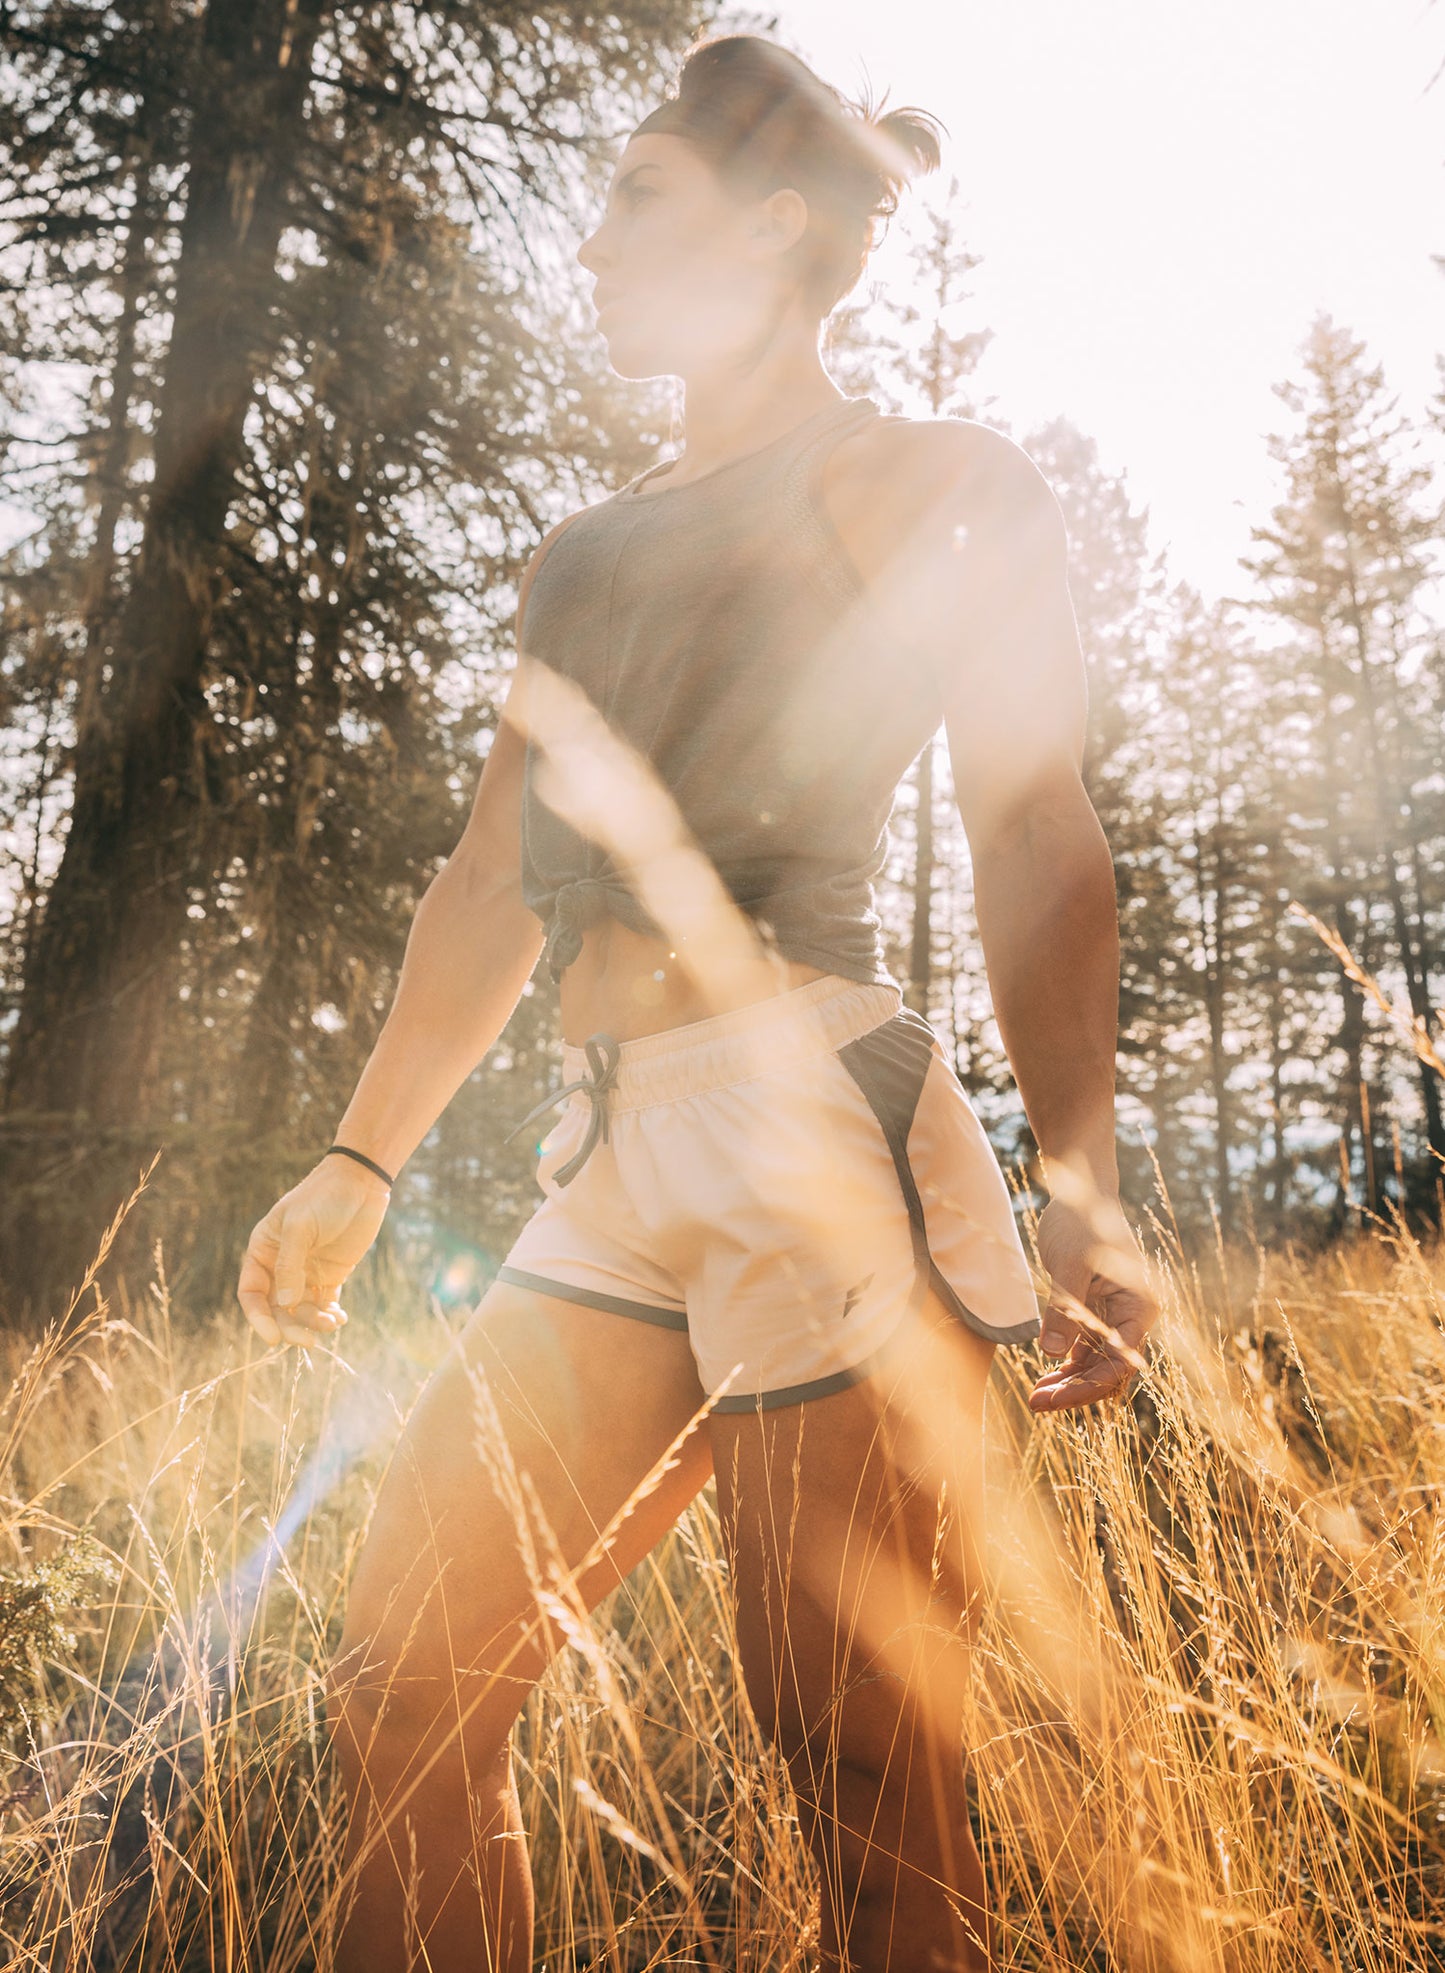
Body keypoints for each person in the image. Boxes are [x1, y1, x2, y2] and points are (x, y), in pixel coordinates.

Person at [237, 31, 1158, 1973]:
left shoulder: (926, 475)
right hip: (607, 1151)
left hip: (819, 1124)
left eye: (633, 199)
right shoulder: (579, 553)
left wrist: (1082, 1180)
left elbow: (1031, 824)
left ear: (769, 228)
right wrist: (358, 1159)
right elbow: (489, 883)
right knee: (401, 1693)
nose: (588, 243)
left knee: (852, 1764)